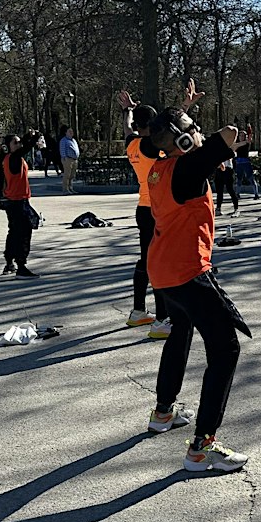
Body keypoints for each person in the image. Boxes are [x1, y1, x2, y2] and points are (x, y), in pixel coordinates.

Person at [141, 83, 250, 472]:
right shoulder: (186, 166)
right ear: (182, 139)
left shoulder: (159, 168)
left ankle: (163, 411)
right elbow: (230, 136)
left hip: (163, 269)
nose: (199, 130)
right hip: (187, 270)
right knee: (226, 349)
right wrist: (197, 138)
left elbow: (163, 137)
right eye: (192, 127)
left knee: (182, 330)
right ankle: (203, 446)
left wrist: (182, 112)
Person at [117, 89, 171, 337]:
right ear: (150, 125)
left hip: (142, 208)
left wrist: (127, 109)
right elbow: (171, 129)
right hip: (157, 210)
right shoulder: (151, 146)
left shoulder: (133, 144)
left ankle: (139, 312)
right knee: (159, 263)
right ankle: (162, 320)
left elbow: (128, 128)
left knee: (146, 260)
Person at [0, 132, 37, 277]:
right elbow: (25, 149)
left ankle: (9, 262)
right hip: (17, 201)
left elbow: (1, 181)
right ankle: (21, 265)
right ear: (7, 147)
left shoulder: (11, 159)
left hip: (16, 200)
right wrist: (32, 138)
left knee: (14, 231)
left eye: (19, 142)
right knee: (24, 232)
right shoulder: (12, 158)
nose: (19, 144)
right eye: (16, 142)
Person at [59, 123, 79, 193]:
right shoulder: (63, 140)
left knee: (72, 175)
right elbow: (62, 150)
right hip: (68, 159)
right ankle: (65, 189)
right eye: (69, 131)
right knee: (67, 175)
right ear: (65, 132)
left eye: (72, 131)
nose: (71, 133)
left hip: (74, 160)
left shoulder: (73, 140)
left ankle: (70, 188)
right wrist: (64, 158)